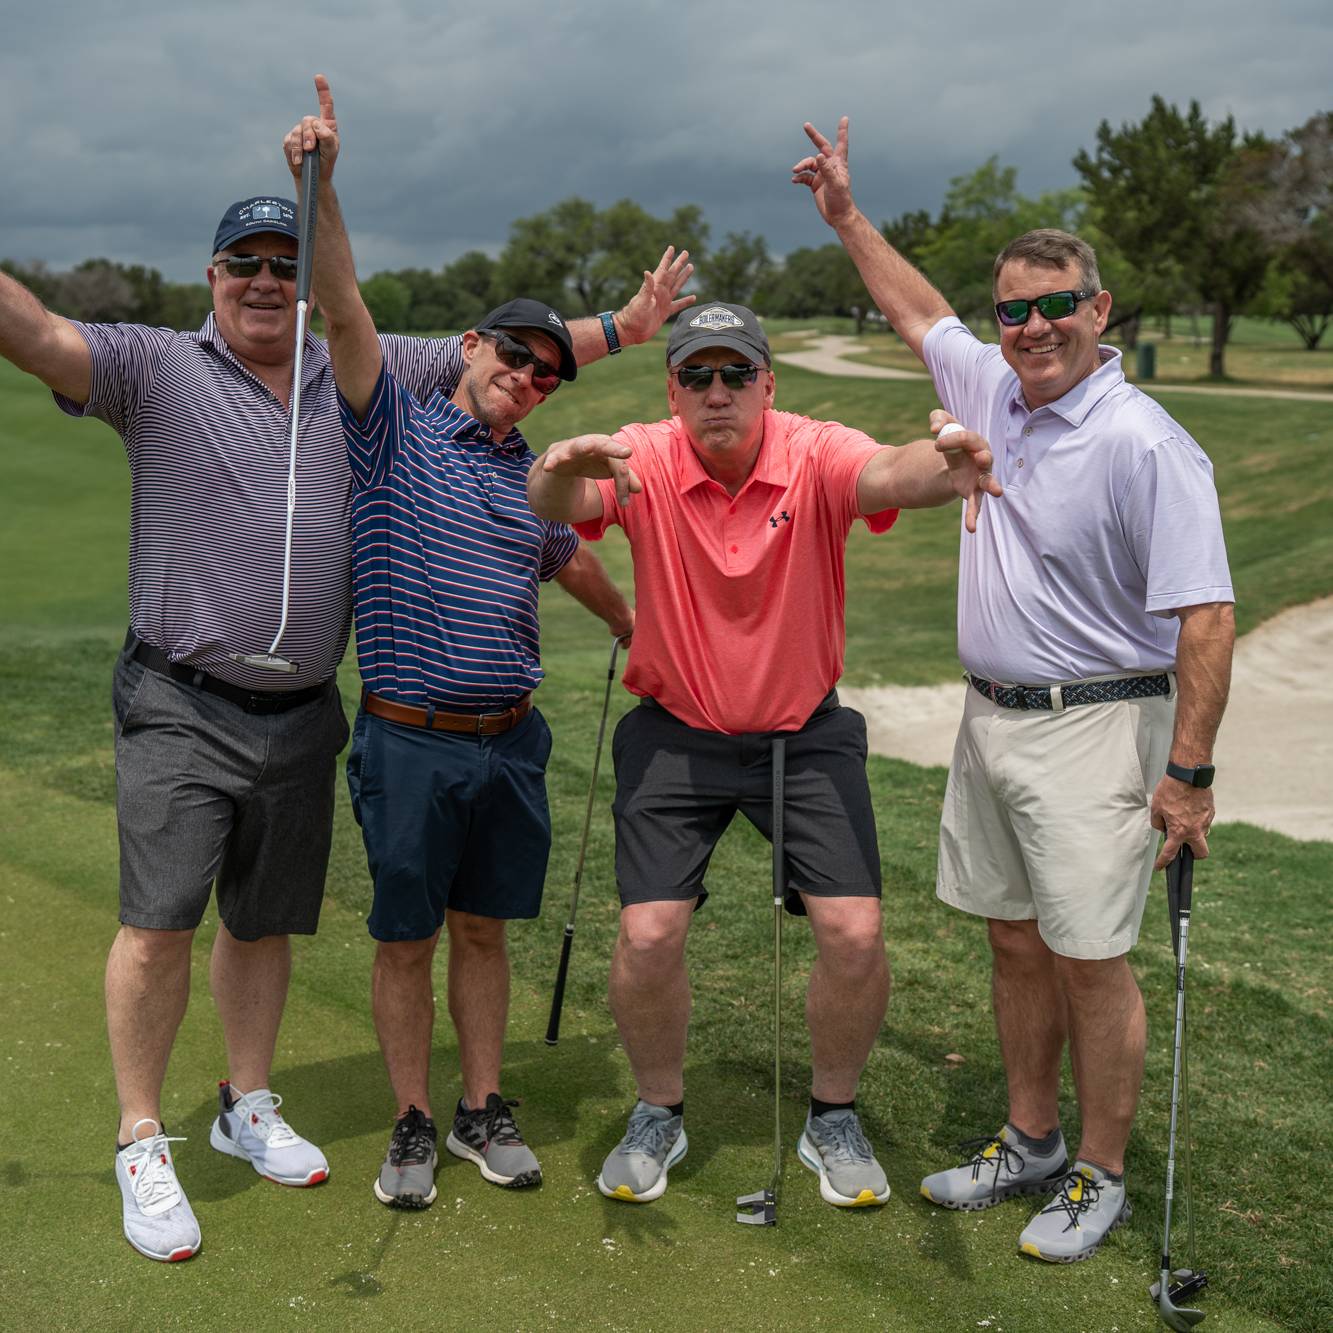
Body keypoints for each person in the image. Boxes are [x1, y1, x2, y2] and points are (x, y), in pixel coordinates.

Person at [0, 89, 689, 1264]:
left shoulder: (370, 375)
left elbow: (516, 359)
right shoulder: (152, 366)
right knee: (159, 925)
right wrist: (325, 186)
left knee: (263, 927)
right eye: (243, 262)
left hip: (305, 715)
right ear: (211, 275)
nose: (267, 279)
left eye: (283, 261)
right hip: (179, 697)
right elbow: (42, 336)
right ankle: (138, 1134)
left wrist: (623, 326)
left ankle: (246, 1103)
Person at [793, 118, 1235, 1262]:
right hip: (990, 717)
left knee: (1091, 955)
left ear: (1099, 308)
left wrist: (1187, 774)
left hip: (1100, 726)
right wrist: (843, 215)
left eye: (1055, 305)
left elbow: (1207, 616)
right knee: (1012, 942)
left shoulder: (1146, 443)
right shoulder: (988, 385)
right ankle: (1030, 1138)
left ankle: (1099, 1171)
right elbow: (911, 310)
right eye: (1014, 310)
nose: (1031, 328)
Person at [526, 300, 999, 1208]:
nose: (716, 392)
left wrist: (947, 467)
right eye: (696, 375)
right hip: (676, 732)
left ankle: (832, 1115)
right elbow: (564, 501)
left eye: (735, 373)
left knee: (854, 932)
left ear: (766, 384)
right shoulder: (645, 453)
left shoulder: (812, 448)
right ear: (672, 389)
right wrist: (555, 470)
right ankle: (658, 1107)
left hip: (803, 732)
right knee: (647, 931)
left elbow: (889, 474)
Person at [285, 84, 647, 1210]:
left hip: (510, 739)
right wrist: (320, 188)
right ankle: (409, 1119)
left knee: (483, 931)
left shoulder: (530, 470)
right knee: (405, 940)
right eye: (516, 357)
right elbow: (342, 309)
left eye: (549, 371)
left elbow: (564, 558)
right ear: (470, 347)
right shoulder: (393, 421)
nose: (530, 376)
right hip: (409, 740)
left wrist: (634, 626)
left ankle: (481, 1107)